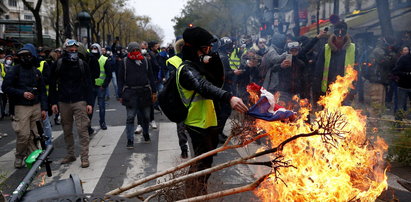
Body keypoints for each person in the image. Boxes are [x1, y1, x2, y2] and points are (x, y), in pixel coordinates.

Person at [178, 27, 248, 197]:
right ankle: (195, 196)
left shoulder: (198, 65)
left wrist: (213, 61)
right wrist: (229, 97)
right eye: (206, 48)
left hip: (208, 122)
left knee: (206, 164)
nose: (209, 51)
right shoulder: (187, 69)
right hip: (196, 123)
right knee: (200, 166)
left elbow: (217, 81)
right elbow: (204, 86)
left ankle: (198, 194)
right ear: (195, 48)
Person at [2, 43, 48, 168]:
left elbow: (42, 91)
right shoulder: (14, 70)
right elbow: (5, 87)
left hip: (36, 106)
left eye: (28, 55)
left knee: (35, 134)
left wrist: (44, 108)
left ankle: (34, 157)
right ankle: (19, 155)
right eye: (23, 56)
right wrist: (22, 93)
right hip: (20, 106)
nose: (25, 58)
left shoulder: (36, 72)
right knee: (23, 135)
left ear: (32, 56)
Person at [49, 39, 93, 168]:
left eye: (75, 50)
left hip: (79, 100)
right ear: (65, 51)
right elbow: (52, 84)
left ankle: (84, 157)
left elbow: (88, 84)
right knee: (67, 129)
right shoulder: (58, 64)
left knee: (82, 129)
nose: (73, 52)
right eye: (70, 50)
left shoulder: (82, 64)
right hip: (64, 101)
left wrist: (89, 102)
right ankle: (70, 154)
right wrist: (53, 102)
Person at [117, 42, 156, 148]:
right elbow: (120, 79)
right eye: (133, 50)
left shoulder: (146, 61)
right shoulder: (125, 62)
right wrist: (120, 94)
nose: (135, 52)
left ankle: (146, 133)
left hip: (145, 92)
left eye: (137, 50)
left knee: (146, 117)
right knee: (130, 117)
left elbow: (151, 77)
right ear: (129, 51)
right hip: (130, 93)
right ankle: (130, 140)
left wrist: (154, 92)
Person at [314, 21, 356, 104]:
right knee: (327, 114)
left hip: (345, 89)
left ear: (346, 33)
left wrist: (355, 89)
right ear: (334, 32)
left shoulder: (352, 48)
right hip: (327, 89)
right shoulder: (326, 48)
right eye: (337, 32)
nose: (339, 35)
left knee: (343, 114)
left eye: (342, 32)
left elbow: (357, 70)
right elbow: (318, 70)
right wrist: (317, 89)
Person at [166, 39, 189, 158]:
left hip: (179, 97)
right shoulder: (191, 60)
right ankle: (185, 149)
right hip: (186, 97)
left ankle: (184, 148)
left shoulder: (172, 61)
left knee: (181, 126)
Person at [89, 43, 112, 130]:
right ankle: (88, 125)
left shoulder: (104, 59)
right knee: (90, 107)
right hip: (91, 86)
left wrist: (104, 85)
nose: (94, 49)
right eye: (92, 48)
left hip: (101, 87)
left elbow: (108, 74)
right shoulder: (89, 59)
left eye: (95, 48)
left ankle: (102, 122)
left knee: (102, 107)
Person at [392, 45, 411, 121]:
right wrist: (406, 74)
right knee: (401, 106)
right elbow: (395, 71)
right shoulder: (404, 59)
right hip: (403, 86)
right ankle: (398, 124)